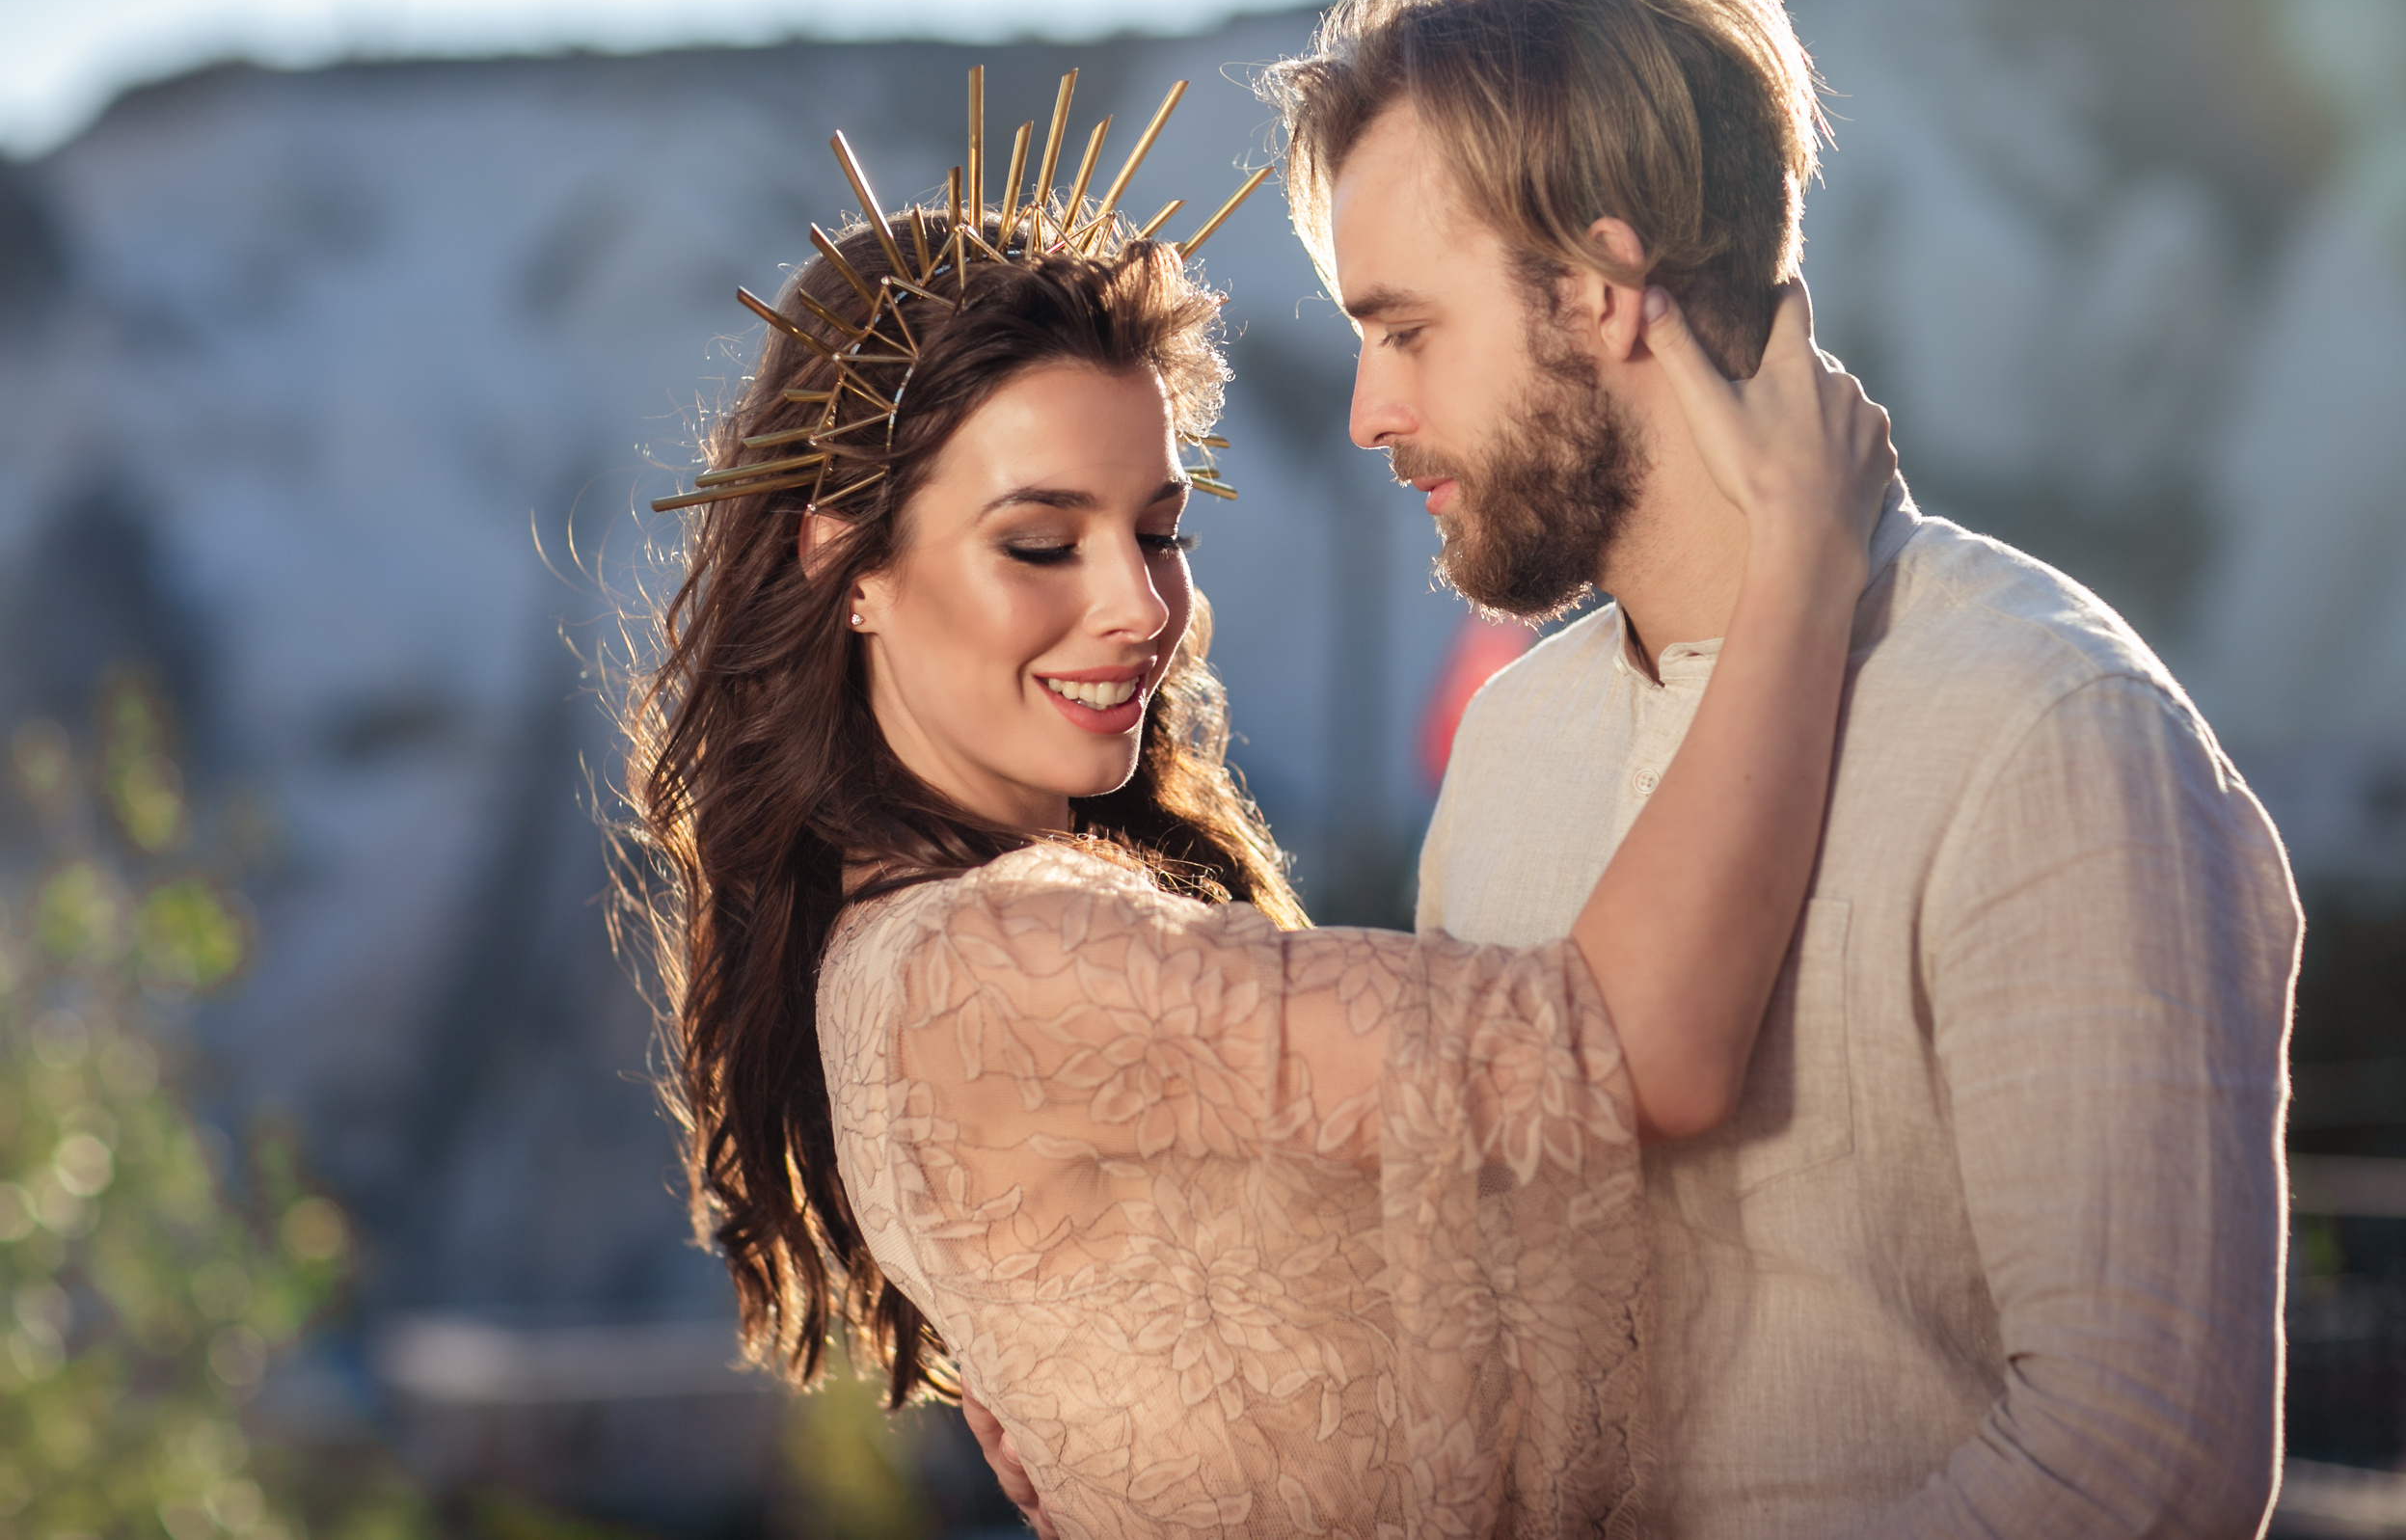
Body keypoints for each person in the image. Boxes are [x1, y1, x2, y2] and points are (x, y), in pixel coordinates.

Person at [623, 135, 1891, 1530]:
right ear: (847, 565)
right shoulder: (1010, 958)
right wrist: (1803, 566)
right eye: (1040, 543)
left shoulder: (893, 955)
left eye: (1159, 532)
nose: (1136, 607)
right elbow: (1633, 1054)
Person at [1212, 0, 2293, 1538]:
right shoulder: (1509, 751)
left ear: (1599, 291)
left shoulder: (2046, 725)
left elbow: (2140, 1459)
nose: (1372, 412)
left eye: (1406, 330)